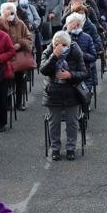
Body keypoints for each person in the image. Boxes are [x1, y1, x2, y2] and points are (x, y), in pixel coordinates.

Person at [40, 31, 88, 161]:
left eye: (64, 45)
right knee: (54, 122)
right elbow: (43, 70)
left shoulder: (75, 51)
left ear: (69, 44)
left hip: (71, 92)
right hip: (53, 92)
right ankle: (55, 148)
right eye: (57, 44)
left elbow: (84, 73)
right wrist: (54, 57)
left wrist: (70, 75)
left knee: (72, 122)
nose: (60, 47)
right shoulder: (48, 51)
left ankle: (70, 148)